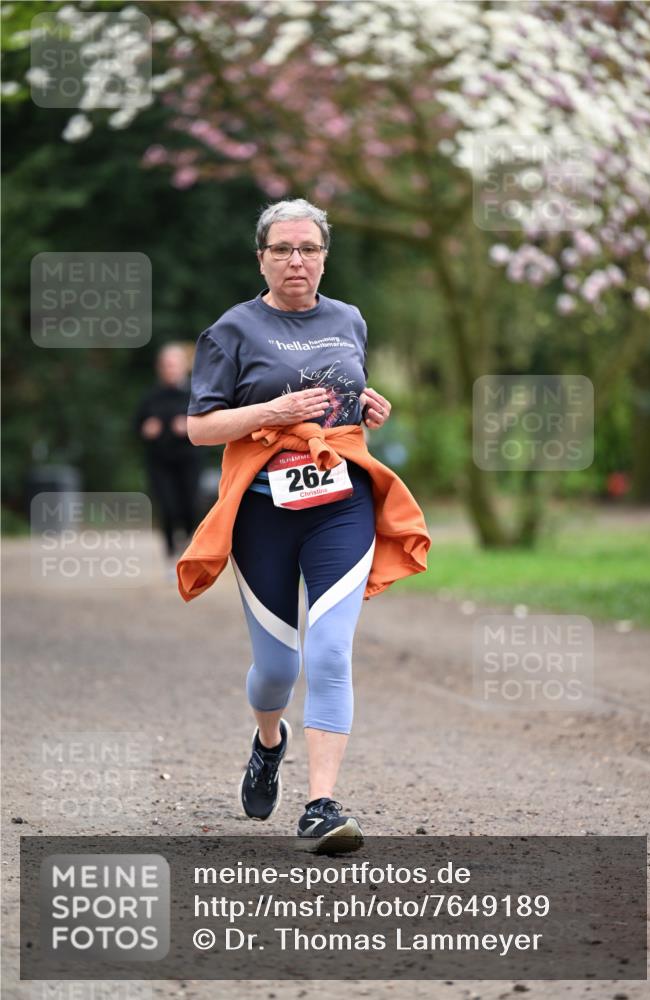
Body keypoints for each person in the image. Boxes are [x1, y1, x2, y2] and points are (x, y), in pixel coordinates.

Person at [180, 199, 430, 853]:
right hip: (263, 512)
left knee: (327, 652)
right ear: (261, 256)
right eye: (283, 249)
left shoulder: (348, 319)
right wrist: (274, 408)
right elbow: (200, 427)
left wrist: (366, 409)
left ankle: (320, 805)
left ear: (324, 256)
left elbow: (344, 399)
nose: (296, 260)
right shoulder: (231, 330)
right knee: (276, 669)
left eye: (308, 249)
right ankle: (269, 743)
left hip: (340, 506)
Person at [135, 343, 201, 577]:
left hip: (188, 461)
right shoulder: (150, 397)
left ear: (184, 367)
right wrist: (145, 430)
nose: (169, 369)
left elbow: (211, 427)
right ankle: (171, 555)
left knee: (189, 507)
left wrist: (191, 427)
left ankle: (188, 549)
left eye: (173, 364)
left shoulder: (196, 394)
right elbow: (137, 427)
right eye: (165, 365)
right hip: (159, 462)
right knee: (168, 508)